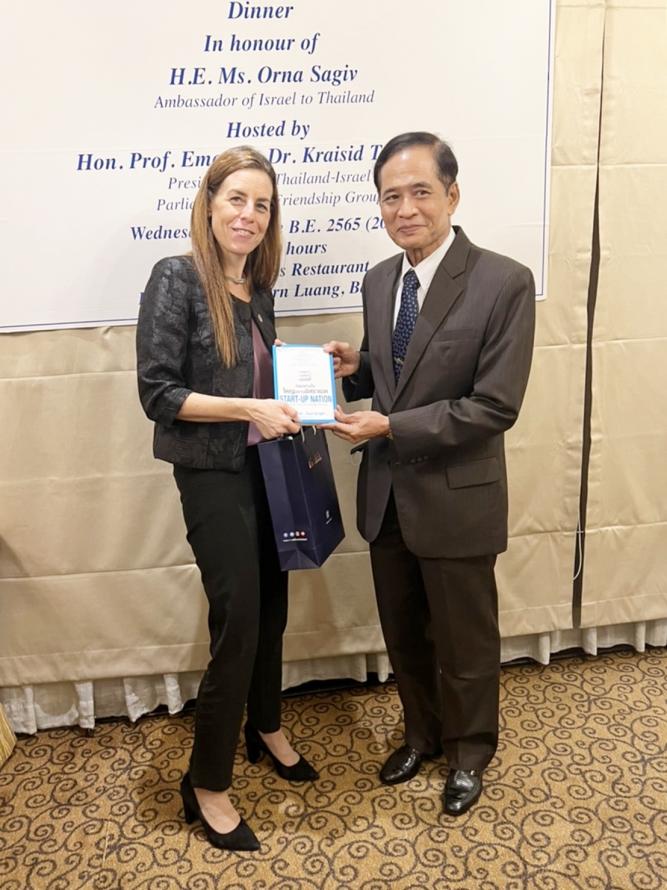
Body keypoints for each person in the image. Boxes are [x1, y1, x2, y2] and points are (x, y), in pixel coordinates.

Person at [323, 132, 535, 816]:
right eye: (391, 196)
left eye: (420, 192)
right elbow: (401, 374)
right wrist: (356, 368)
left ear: (452, 194)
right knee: (405, 634)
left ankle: (469, 751)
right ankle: (422, 734)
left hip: (456, 497)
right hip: (387, 495)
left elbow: (493, 406)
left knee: (464, 641)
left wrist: (390, 427)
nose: (405, 208)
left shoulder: (503, 281)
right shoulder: (380, 280)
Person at [136, 146, 318, 852]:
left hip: (268, 470)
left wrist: (306, 378)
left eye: (261, 204)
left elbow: (259, 381)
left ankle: (264, 726)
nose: (248, 215)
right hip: (212, 476)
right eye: (236, 199)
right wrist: (250, 409)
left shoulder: (259, 290)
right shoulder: (176, 278)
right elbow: (159, 394)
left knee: (272, 609)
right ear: (209, 204)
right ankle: (206, 782)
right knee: (238, 621)